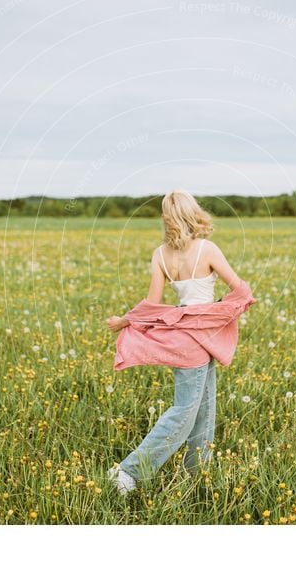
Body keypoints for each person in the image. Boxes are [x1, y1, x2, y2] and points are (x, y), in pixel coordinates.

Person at [105, 189, 246, 496]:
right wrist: (227, 309)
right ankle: (129, 472)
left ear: (167, 218)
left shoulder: (161, 255)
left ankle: (199, 471)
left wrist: (123, 321)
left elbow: (152, 305)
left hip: (184, 336)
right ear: (192, 212)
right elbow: (240, 289)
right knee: (184, 411)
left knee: (205, 407)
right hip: (202, 336)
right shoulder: (207, 249)